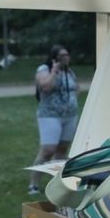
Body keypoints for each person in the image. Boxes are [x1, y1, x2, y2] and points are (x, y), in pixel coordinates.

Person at [29, 45, 78, 195]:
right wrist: (54, 71)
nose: (65, 58)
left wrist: (72, 100)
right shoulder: (43, 70)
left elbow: (75, 87)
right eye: (62, 56)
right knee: (47, 150)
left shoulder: (69, 72)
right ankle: (34, 184)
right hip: (50, 115)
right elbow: (46, 86)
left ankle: (58, 183)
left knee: (63, 150)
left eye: (67, 55)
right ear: (54, 57)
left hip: (69, 116)